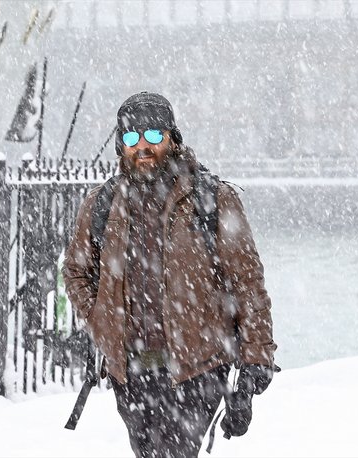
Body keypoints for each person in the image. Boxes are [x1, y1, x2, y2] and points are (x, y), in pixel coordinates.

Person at [63, 91, 277, 458]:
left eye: (153, 136)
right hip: (130, 374)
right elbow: (77, 271)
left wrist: (254, 366)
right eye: (132, 138)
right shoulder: (101, 204)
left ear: (173, 139)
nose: (142, 147)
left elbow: (248, 285)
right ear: (121, 146)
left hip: (198, 370)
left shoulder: (213, 199)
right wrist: (101, 320)